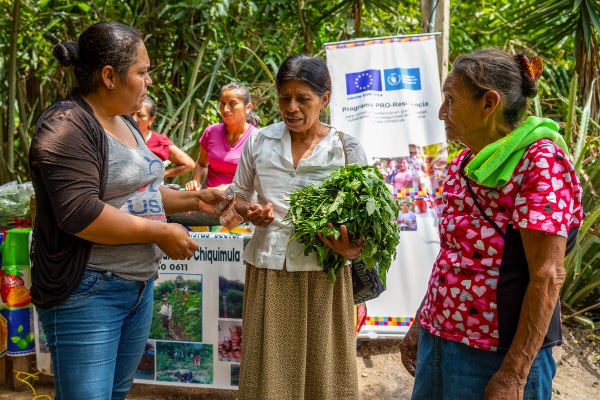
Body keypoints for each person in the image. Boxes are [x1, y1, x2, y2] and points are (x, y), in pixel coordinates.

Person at [28, 22, 224, 400]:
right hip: (88, 290)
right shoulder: (65, 127)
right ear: (109, 76)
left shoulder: (125, 122)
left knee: (115, 393)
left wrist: (194, 201)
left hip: (137, 286)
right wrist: (160, 233)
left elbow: (142, 192)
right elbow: (80, 213)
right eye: (142, 71)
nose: (148, 81)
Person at [399, 48, 583, 400]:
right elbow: (453, 257)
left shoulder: (540, 163)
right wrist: (422, 322)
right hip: (440, 343)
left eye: (451, 100)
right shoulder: (464, 163)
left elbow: (547, 276)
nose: (442, 112)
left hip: (495, 358)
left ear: (489, 104)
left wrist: (513, 375)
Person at [222, 54, 367, 399]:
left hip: (325, 274)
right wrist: (249, 211)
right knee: (270, 372)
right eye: (285, 97)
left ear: (325, 99)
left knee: (324, 372)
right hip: (270, 270)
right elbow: (234, 199)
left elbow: (368, 224)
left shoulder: (346, 149)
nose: (292, 107)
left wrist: (352, 249)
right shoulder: (259, 142)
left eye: (303, 98)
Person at [185, 82, 261, 191]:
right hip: (207, 201)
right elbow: (202, 164)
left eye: (232, 103)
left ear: (248, 107)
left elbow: (256, 180)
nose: (225, 109)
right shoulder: (211, 131)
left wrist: (222, 189)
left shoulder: (257, 138)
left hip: (241, 204)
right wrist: (196, 182)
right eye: (222, 104)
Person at [132, 96, 195, 179]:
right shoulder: (118, 135)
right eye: (131, 114)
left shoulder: (158, 141)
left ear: (151, 120)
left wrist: (161, 174)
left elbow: (189, 164)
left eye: (141, 115)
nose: (133, 119)